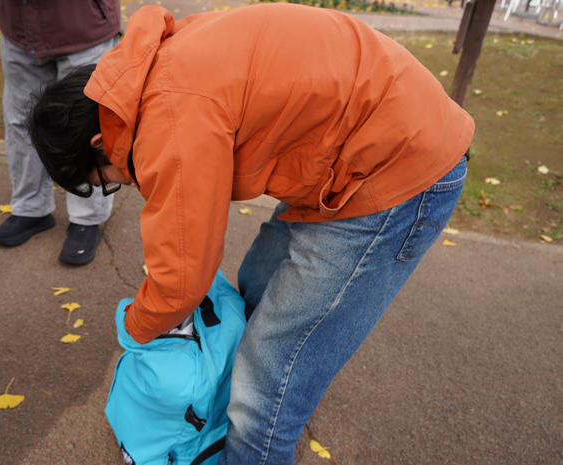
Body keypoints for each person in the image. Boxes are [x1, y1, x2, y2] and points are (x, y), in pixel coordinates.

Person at [27, 4, 474, 463]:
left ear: (98, 143)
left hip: (394, 168)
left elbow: (182, 277)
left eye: (107, 180)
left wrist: (135, 327)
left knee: (268, 390)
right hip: (363, 137)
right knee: (255, 289)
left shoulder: (170, 116)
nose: (122, 183)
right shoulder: (146, 70)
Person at [0, 0, 120, 265]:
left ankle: (86, 219)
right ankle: (31, 208)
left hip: (83, 25)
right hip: (16, 28)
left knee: (88, 127)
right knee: (21, 122)